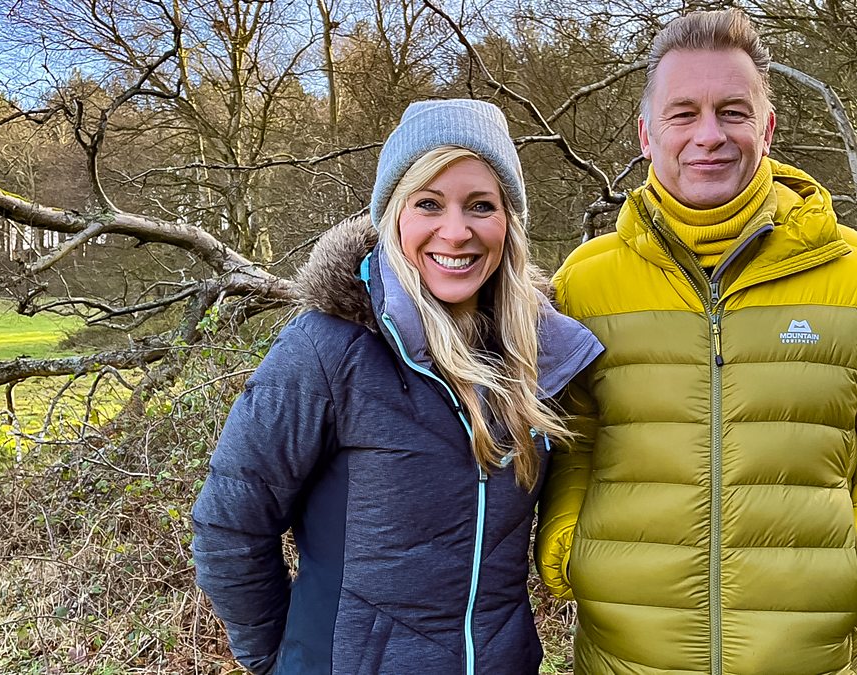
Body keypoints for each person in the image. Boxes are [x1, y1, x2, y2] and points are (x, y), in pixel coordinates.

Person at [535, 10, 857, 675]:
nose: (710, 135)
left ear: (768, 127)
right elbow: (563, 436)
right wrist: (569, 549)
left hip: (816, 658)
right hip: (626, 655)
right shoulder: (585, 284)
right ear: (646, 134)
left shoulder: (856, 276)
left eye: (733, 111)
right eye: (683, 114)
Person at [192, 99, 602, 675]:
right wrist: (279, 662)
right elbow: (229, 525)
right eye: (428, 203)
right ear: (393, 216)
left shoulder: (540, 354)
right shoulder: (327, 348)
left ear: (508, 222)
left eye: (481, 205)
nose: (455, 232)